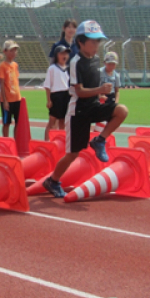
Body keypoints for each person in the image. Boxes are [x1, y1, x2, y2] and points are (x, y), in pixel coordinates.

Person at [42, 20, 129, 198]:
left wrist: (99, 95)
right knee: (73, 154)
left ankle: (100, 140)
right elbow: (79, 91)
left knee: (122, 111)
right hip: (78, 112)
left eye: (98, 41)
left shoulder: (96, 60)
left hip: (94, 105)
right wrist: (99, 90)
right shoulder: (75, 62)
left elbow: (92, 86)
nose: (96, 45)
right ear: (81, 42)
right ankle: (53, 180)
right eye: (93, 41)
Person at [43, 45, 71, 141]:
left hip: (66, 95)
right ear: (57, 55)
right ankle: (47, 141)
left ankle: (60, 140)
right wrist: (49, 100)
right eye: (62, 53)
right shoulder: (52, 68)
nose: (64, 56)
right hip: (56, 96)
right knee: (52, 121)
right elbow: (47, 86)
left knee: (63, 120)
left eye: (66, 54)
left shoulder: (68, 69)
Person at [0, 40, 21, 138]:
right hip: (7, 100)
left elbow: (16, 80)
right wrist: (5, 101)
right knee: (6, 123)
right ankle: (6, 141)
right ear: (5, 51)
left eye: (15, 50)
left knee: (18, 122)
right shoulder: (3, 66)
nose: (14, 53)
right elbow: (2, 84)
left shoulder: (15, 65)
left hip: (17, 98)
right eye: (11, 50)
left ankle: (15, 142)